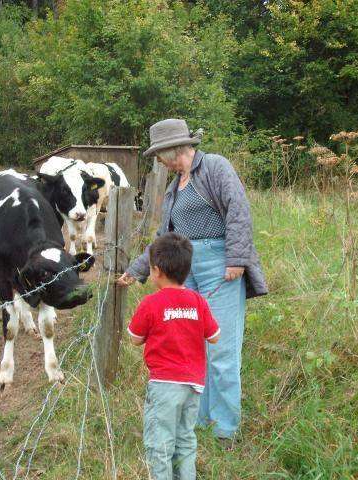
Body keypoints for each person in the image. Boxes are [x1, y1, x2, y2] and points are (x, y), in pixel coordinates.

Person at [119, 118, 268, 445]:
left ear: (172, 150)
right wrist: (139, 269)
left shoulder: (214, 167)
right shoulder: (175, 187)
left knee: (222, 348)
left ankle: (226, 429)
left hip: (220, 265)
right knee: (196, 345)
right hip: (186, 269)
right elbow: (165, 237)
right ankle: (201, 419)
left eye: (159, 153)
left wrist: (236, 258)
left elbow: (238, 210)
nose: (158, 160)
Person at [128, 232, 220, 480]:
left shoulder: (150, 303)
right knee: (185, 438)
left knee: (160, 442)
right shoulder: (198, 301)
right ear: (187, 270)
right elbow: (214, 336)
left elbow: (135, 338)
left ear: (156, 271)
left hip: (164, 385)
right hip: (193, 385)